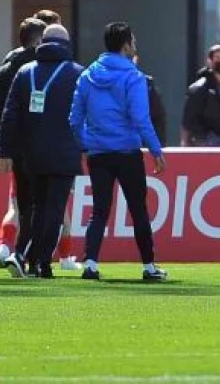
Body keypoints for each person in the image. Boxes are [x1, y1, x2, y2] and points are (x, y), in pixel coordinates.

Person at [71, 22, 167, 282]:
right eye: (133, 42)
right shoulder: (133, 77)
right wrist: (156, 150)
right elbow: (140, 117)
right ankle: (148, 266)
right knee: (138, 209)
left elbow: (74, 118)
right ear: (126, 45)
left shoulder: (87, 75)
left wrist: (85, 143)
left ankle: (90, 263)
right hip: (127, 152)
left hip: (98, 153)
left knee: (99, 209)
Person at [0, 24, 84, 279]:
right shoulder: (76, 73)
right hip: (64, 153)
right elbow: (86, 114)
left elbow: (9, 114)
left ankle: (22, 253)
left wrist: (5, 150)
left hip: (31, 154)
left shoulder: (25, 72)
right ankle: (40, 262)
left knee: (33, 208)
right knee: (54, 210)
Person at [0, 18, 46, 266]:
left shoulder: (6, 69)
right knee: (42, 203)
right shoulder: (42, 69)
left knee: (22, 201)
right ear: (39, 40)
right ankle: (28, 255)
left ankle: (17, 251)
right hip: (40, 144)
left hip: (15, 147)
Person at [182, 45, 220, 147]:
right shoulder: (199, 89)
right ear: (209, 61)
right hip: (208, 144)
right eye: (218, 58)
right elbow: (188, 121)